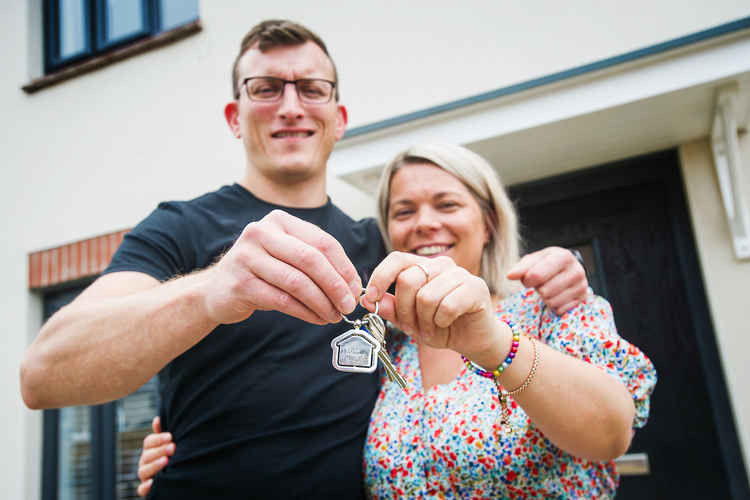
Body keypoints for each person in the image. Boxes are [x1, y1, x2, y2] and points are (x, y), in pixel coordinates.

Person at [20, 20, 590, 499]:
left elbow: (471, 265)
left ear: (338, 118)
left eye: (311, 88)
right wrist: (211, 292)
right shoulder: (179, 228)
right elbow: (43, 376)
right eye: (266, 88)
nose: (290, 106)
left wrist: (556, 269)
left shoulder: (384, 249)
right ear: (233, 116)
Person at [136, 144, 656, 499]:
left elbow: (610, 435)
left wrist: (495, 341)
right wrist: (187, 450)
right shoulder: (392, 347)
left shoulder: (550, 307)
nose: (425, 222)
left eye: (446, 203)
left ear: (490, 220)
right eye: (404, 211)